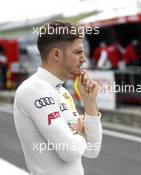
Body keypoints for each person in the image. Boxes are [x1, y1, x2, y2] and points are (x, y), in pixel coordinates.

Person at [13, 21, 102, 175]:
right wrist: (80, 132)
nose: (84, 59)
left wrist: (90, 103)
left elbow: (92, 150)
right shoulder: (33, 89)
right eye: (78, 52)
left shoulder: (62, 92)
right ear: (56, 54)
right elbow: (70, 151)